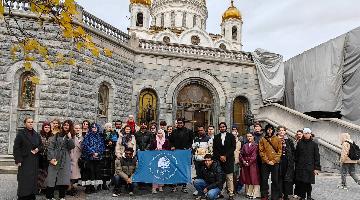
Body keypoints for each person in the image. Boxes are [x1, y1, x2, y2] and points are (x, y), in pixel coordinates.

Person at [13, 116, 43, 200]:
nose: (31, 123)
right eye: (29, 122)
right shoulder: (21, 134)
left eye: (32, 122)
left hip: (34, 160)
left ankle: (31, 195)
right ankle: (22, 196)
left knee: (33, 179)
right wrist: (18, 159)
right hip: (25, 160)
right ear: (25, 123)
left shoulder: (36, 134)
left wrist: (38, 149)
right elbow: (16, 148)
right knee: (24, 179)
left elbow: (41, 145)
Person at [46, 120, 75, 200]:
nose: (66, 126)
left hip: (65, 158)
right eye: (65, 125)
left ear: (70, 126)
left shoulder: (71, 135)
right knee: (51, 177)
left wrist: (69, 138)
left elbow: (72, 147)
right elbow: (51, 147)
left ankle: (62, 196)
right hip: (55, 156)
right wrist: (51, 158)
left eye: (68, 125)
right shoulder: (57, 134)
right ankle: (49, 196)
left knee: (63, 177)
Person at [294, 128, 321, 200]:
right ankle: (302, 197)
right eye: (306, 133)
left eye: (308, 133)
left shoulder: (314, 144)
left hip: (310, 167)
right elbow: (296, 155)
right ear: (303, 134)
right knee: (302, 182)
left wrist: (317, 168)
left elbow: (317, 156)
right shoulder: (299, 143)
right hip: (301, 167)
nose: (307, 134)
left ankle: (309, 196)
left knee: (308, 182)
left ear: (310, 134)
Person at [169, 117, 194, 193]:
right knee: (175, 169)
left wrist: (189, 147)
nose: (179, 124)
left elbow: (191, 141)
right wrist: (172, 146)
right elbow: (170, 141)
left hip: (184, 153)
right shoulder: (174, 131)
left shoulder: (189, 131)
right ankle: (174, 186)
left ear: (183, 123)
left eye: (181, 123)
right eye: (178, 123)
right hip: (175, 153)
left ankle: (184, 186)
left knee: (184, 170)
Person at [213, 122, 236, 200]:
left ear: (226, 127)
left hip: (229, 159)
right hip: (219, 160)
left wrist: (225, 156)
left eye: (223, 127)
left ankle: (231, 194)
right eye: (221, 127)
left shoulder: (231, 136)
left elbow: (233, 148)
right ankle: (220, 193)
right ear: (219, 128)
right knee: (220, 177)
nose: (222, 128)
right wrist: (220, 156)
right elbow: (214, 149)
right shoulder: (216, 137)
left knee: (229, 178)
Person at [258, 124, 282, 200]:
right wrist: (267, 161)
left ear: (273, 130)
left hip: (275, 163)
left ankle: (275, 196)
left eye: (271, 129)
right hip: (265, 163)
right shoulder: (263, 139)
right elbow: (261, 151)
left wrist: (274, 161)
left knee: (275, 180)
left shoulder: (277, 139)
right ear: (266, 130)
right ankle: (264, 195)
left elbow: (280, 151)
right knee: (264, 179)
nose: (269, 130)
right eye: (268, 129)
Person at [82, 123, 106, 194]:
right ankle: (88, 187)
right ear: (91, 128)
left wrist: (98, 153)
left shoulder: (100, 136)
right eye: (93, 127)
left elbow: (102, 146)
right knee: (89, 172)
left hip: (98, 157)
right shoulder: (87, 135)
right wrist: (92, 152)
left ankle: (93, 186)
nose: (94, 128)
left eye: (95, 127)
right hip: (89, 157)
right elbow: (85, 145)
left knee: (95, 172)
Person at [239, 133, 261, 199]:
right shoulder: (245, 145)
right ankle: (249, 192)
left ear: (253, 137)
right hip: (245, 163)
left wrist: (248, 162)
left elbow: (255, 156)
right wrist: (243, 161)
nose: (249, 138)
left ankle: (255, 193)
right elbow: (241, 154)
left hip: (253, 164)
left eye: (250, 136)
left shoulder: (256, 145)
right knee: (248, 178)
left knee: (254, 178)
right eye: (248, 136)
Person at [149, 129, 171, 193]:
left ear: (163, 134)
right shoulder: (154, 141)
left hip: (163, 158)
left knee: (162, 172)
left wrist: (163, 150)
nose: (159, 134)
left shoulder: (166, 141)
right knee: (155, 173)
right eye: (158, 133)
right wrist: (154, 149)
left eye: (160, 133)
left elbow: (168, 149)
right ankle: (154, 188)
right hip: (155, 158)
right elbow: (150, 148)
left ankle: (160, 186)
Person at [277, 126, 295, 200]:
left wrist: (292, 159)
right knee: (279, 178)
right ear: (277, 131)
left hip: (287, 162)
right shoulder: (275, 139)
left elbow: (293, 151)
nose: (281, 132)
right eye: (280, 130)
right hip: (278, 161)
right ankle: (279, 195)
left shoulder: (289, 140)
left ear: (285, 132)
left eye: (283, 130)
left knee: (287, 179)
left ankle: (287, 195)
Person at [99, 122, 117, 190]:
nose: (109, 128)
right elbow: (101, 141)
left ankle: (107, 183)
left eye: (110, 127)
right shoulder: (102, 134)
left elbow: (115, 141)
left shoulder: (114, 133)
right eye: (108, 127)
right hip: (103, 153)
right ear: (105, 127)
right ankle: (101, 183)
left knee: (109, 168)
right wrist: (106, 143)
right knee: (103, 168)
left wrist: (112, 143)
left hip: (110, 153)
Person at [38, 121, 53, 194]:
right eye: (45, 127)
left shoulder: (52, 136)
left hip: (49, 157)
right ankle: (39, 187)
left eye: (48, 127)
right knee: (40, 173)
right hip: (40, 157)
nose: (47, 128)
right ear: (43, 128)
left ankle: (45, 188)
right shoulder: (39, 135)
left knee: (47, 173)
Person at [68, 123, 83, 196]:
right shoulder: (71, 136)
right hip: (72, 156)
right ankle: (70, 188)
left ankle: (73, 187)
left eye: (79, 128)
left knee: (76, 174)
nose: (77, 129)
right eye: (76, 128)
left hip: (79, 157)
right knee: (72, 174)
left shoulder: (82, 137)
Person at [231, 126, 242, 194]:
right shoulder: (228, 139)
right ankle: (230, 188)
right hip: (229, 160)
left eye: (235, 131)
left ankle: (235, 189)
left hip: (237, 160)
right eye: (233, 130)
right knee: (230, 175)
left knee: (236, 175)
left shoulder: (240, 141)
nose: (234, 132)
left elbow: (242, 150)